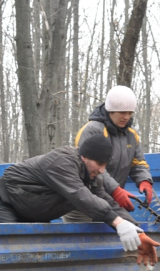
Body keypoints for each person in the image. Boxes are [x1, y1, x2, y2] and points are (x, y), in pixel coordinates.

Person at [0, 134, 159, 264]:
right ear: (85, 156)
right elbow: (81, 197)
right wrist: (118, 223)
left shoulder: (92, 175)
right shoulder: (61, 162)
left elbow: (108, 203)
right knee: (13, 259)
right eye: (99, 164)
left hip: (31, 211)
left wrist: (138, 233)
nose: (101, 171)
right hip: (4, 203)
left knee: (37, 264)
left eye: (105, 166)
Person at [64, 85, 153, 222]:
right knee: (82, 241)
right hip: (84, 202)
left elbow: (138, 163)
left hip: (111, 201)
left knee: (121, 236)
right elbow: (93, 167)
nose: (126, 117)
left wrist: (145, 180)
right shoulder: (92, 130)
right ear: (110, 110)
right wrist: (115, 190)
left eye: (130, 113)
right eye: (122, 112)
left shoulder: (131, 135)